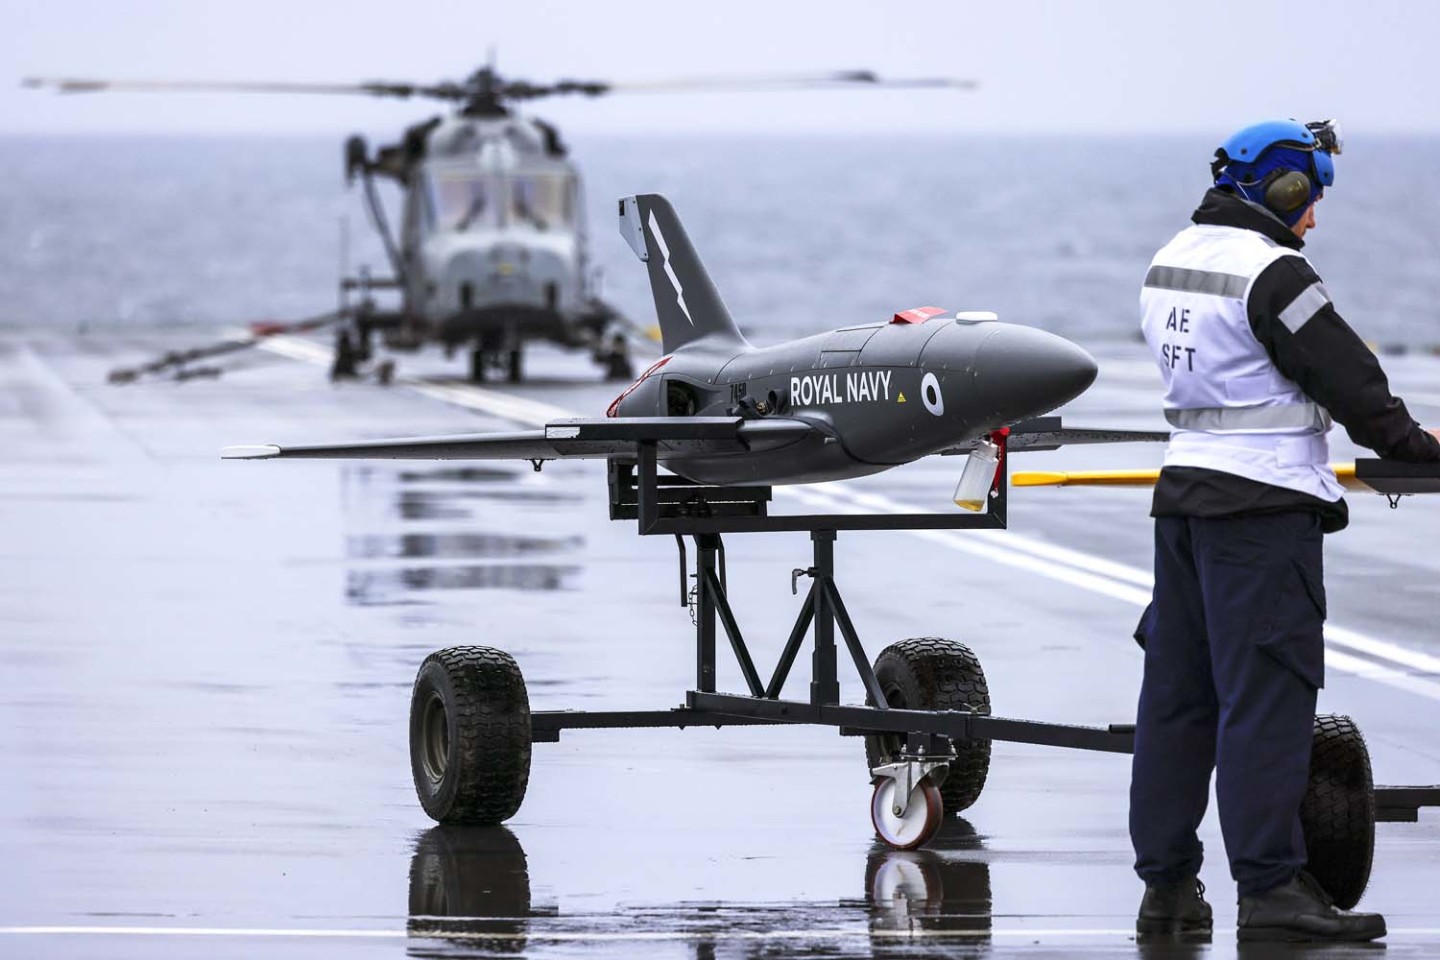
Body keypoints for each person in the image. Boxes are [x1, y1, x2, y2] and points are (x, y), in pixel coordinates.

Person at [1131, 118, 1440, 943]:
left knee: (1177, 703)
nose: (1314, 218)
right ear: (1282, 187)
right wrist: (1418, 449)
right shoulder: (1275, 273)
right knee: (1264, 702)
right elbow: (1350, 381)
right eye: (1312, 197)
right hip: (1262, 515)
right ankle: (1270, 893)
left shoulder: (1172, 259)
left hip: (1185, 502)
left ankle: (1166, 889)